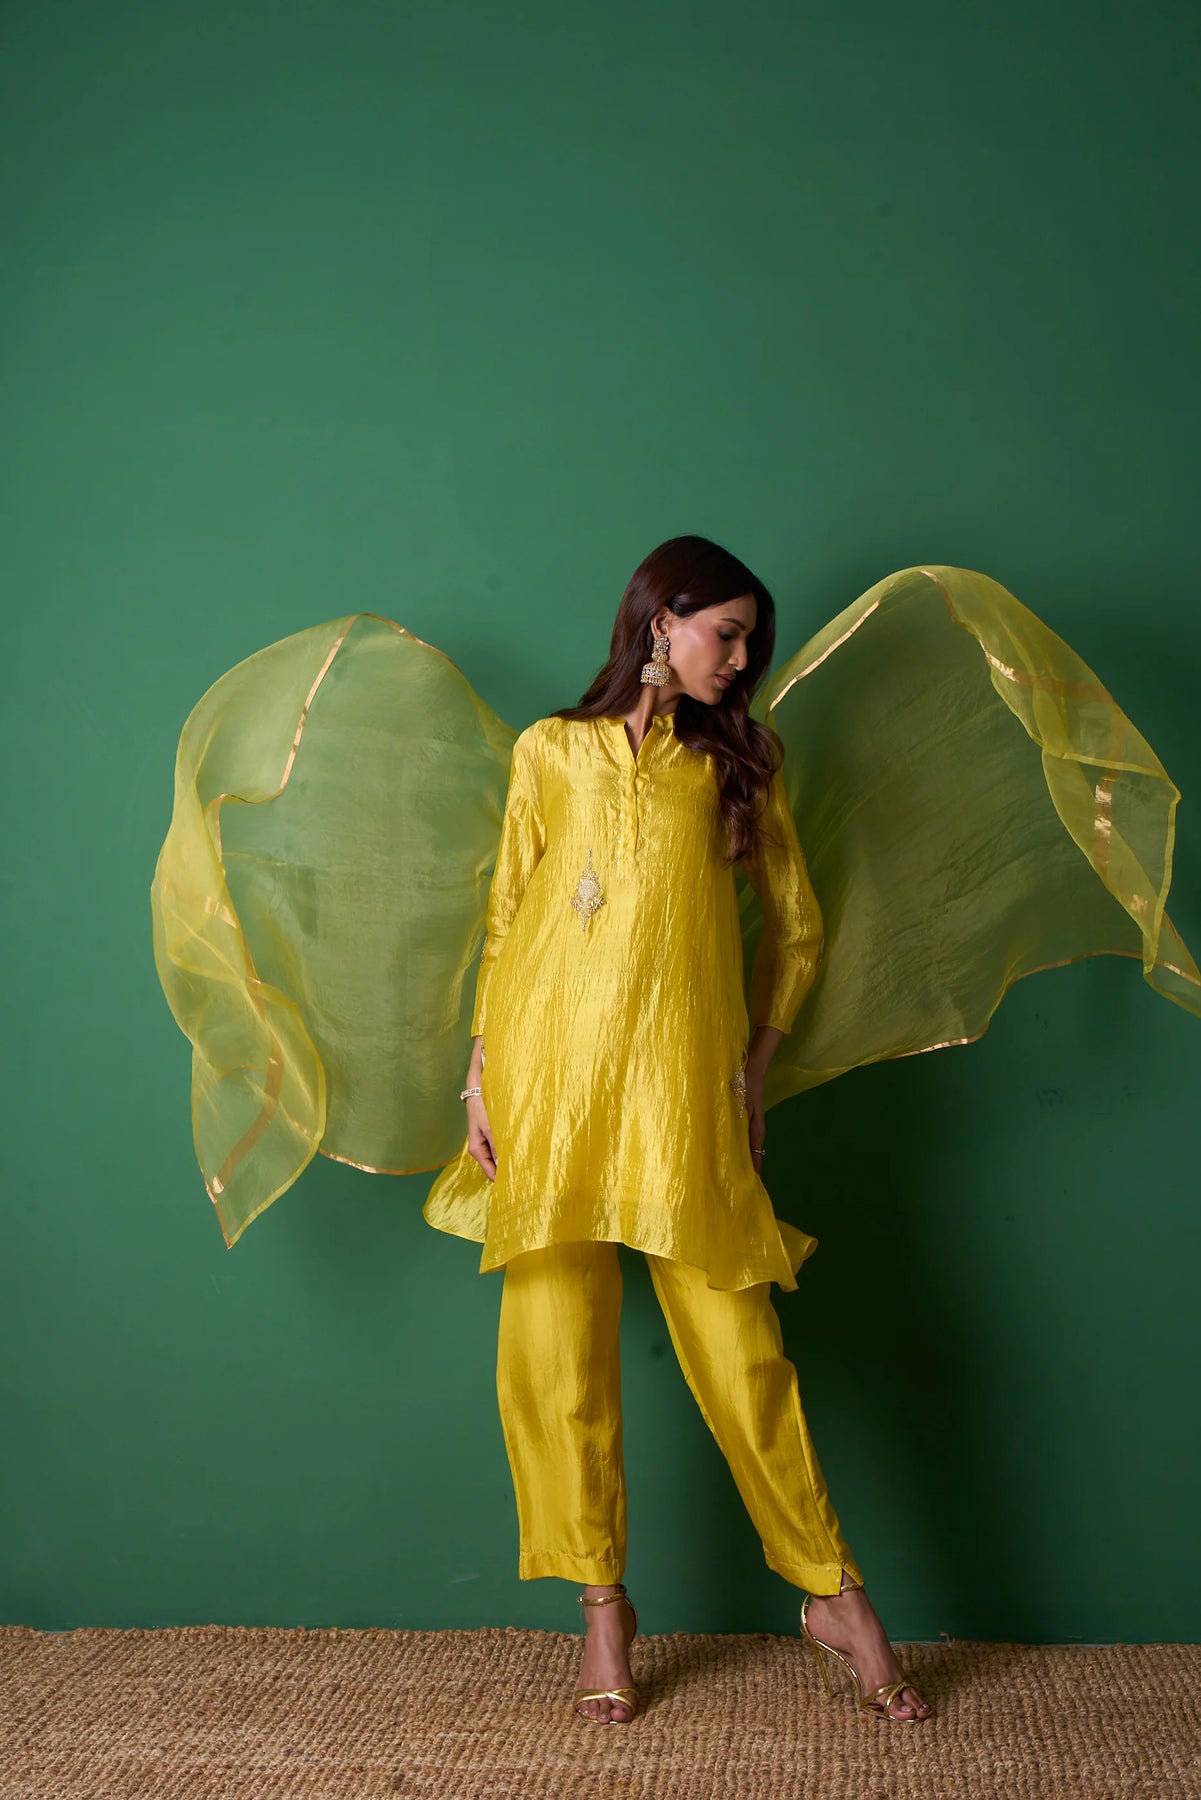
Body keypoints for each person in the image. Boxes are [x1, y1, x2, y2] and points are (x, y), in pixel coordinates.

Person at [422, 536, 933, 1724]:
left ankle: (832, 1592)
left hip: (676, 1091)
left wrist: (751, 1071)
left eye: (749, 642)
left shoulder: (738, 763)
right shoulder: (549, 750)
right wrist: (481, 1073)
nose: (741, 660)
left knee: (742, 1350)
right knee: (555, 1354)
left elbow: (793, 927)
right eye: (727, 634)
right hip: (547, 1082)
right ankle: (603, 1606)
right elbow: (507, 913)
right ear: (661, 622)